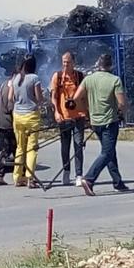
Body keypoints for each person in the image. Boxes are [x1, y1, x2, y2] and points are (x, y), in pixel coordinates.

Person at [73, 53, 129, 196]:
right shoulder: (115, 80)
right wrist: (121, 112)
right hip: (109, 121)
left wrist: (86, 110)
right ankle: (89, 179)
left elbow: (76, 98)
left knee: (109, 150)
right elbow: (121, 103)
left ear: (98, 64)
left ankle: (118, 182)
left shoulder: (88, 79)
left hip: (95, 121)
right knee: (107, 152)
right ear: (110, 66)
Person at [51, 52, 88, 186]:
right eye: (64, 62)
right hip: (64, 117)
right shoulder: (58, 77)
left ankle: (79, 174)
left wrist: (87, 112)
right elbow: (54, 97)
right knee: (65, 146)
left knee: (78, 145)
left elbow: (84, 95)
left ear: (73, 63)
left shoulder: (79, 76)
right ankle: (66, 172)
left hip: (78, 116)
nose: (65, 65)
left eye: (68, 62)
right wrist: (56, 112)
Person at [8, 56, 44, 188]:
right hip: (31, 115)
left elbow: (10, 97)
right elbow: (39, 98)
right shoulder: (34, 78)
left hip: (17, 115)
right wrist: (38, 100)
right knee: (32, 148)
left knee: (20, 147)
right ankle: (30, 178)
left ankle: (17, 177)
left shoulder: (15, 78)